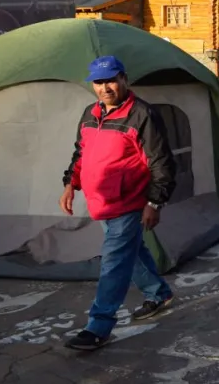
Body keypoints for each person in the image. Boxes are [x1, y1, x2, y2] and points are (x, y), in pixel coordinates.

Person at [60, 56, 176, 351]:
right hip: (102, 201)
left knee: (113, 262)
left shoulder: (142, 114)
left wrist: (154, 202)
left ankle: (99, 325)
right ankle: (159, 293)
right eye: (99, 82)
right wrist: (70, 184)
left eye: (111, 80)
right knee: (132, 251)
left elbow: (161, 162)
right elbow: (81, 153)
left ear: (124, 79)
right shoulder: (89, 113)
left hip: (129, 201)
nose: (105, 87)